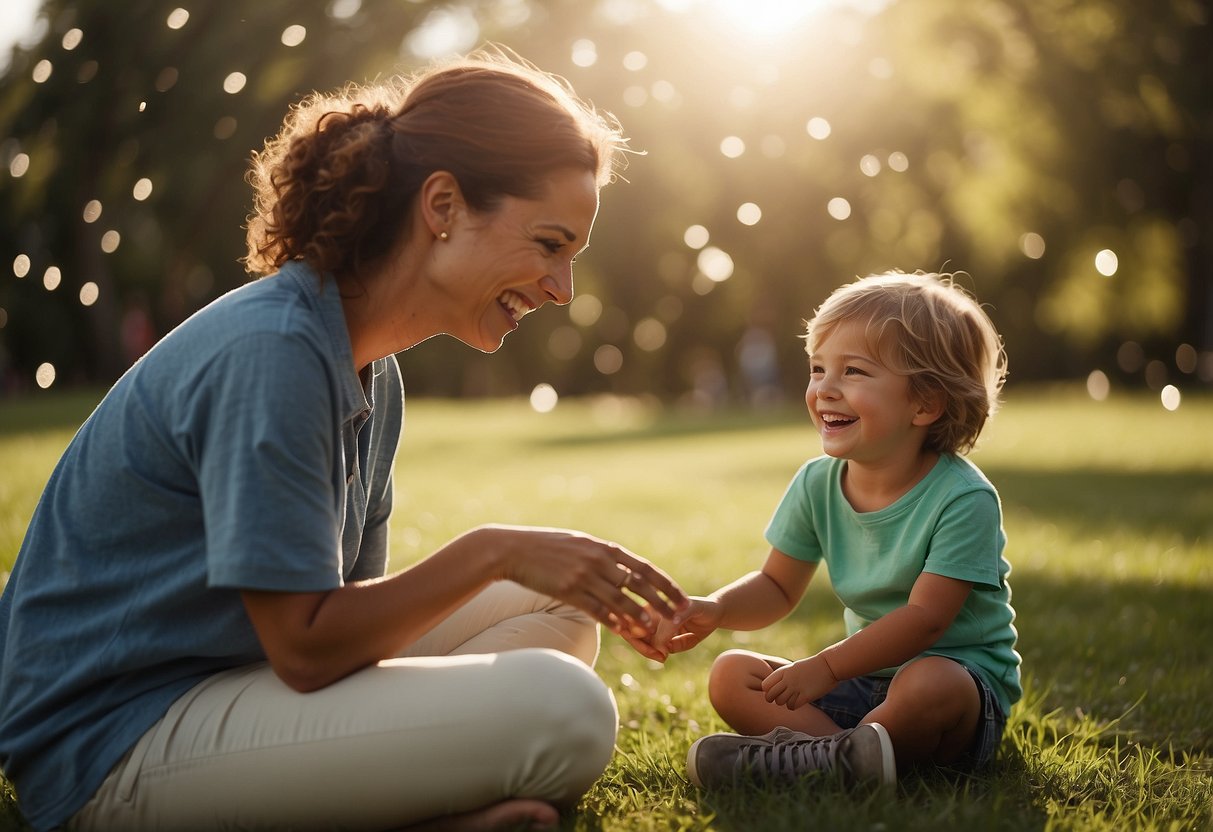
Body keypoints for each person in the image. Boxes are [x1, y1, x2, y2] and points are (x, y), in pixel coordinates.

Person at [0, 49, 689, 832]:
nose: (562, 290)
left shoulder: (371, 369)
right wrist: (492, 550)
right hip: (110, 742)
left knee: (557, 607)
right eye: (548, 245)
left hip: (235, 680)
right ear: (442, 206)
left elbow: (354, 634)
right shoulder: (276, 351)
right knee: (565, 711)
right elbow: (308, 651)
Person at [641, 272, 1020, 788]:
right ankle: (841, 759)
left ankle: (823, 757)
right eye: (818, 369)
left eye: (854, 371)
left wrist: (826, 667)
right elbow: (776, 586)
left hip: (957, 694)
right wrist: (718, 609)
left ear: (925, 403)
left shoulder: (963, 498)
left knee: (929, 681)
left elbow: (926, 620)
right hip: (862, 685)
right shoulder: (817, 483)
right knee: (732, 675)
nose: (824, 389)